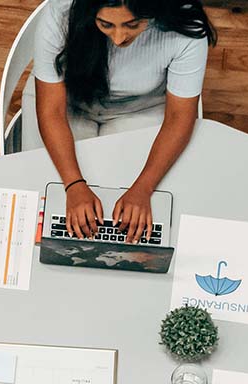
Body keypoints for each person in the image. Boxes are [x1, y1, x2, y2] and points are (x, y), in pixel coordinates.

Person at [30, 0, 217, 243]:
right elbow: (51, 111)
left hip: (140, 107)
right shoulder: (61, 13)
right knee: (45, 200)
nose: (119, 38)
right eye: (105, 24)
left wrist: (143, 188)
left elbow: (179, 117)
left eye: (133, 24)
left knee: (146, 207)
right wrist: (73, 183)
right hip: (69, 103)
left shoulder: (185, 28)